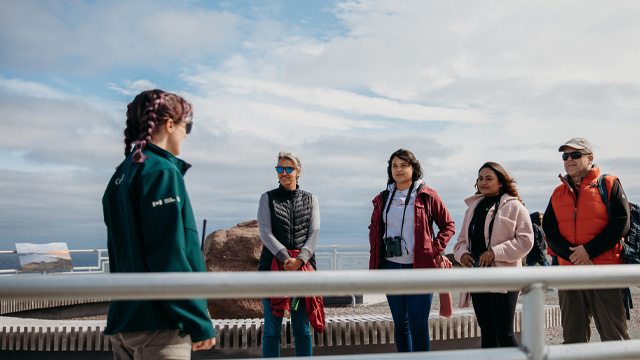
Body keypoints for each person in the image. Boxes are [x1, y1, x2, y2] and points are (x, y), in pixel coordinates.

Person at [102, 89, 216, 359]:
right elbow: (168, 255)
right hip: (159, 326)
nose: (186, 133)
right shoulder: (162, 172)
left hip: (124, 322)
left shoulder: (121, 174)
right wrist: (198, 321)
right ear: (169, 125)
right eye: (187, 126)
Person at [542, 137, 630, 343]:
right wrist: (575, 257)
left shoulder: (609, 184)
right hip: (569, 272)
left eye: (575, 155)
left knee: (614, 336)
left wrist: (588, 251)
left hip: (604, 271)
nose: (569, 160)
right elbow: (549, 230)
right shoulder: (558, 192)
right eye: (565, 156)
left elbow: (622, 223)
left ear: (590, 158)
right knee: (573, 338)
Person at [368, 149, 455, 352]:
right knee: (401, 324)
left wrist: (433, 248)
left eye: (403, 165)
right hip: (390, 266)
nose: (398, 169)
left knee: (418, 325)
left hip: (420, 268)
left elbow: (448, 225)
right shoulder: (383, 198)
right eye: (394, 166)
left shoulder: (427, 195)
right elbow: (375, 231)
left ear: (414, 168)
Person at [453, 162, 533, 348]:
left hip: (504, 279)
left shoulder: (515, 207)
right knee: (487, 333)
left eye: (489, 178)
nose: (483, 182)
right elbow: (461, 241)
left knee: (504, 333)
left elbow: (525, 241)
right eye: (480, 178)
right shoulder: (472, 208)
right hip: (478, 277)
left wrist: (495, 253)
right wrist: (462, 254)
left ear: (501, 182)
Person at [257, 151, 323, 358]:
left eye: (288, 168)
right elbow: (265, 233)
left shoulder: (311, 199)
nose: (284, 173)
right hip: (273, 268)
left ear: (298, 172)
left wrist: (300, 260)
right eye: (279, 169)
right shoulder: (267, 198)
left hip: (302, 270)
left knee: (302, 330)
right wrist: (287, 258)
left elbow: (314, 232)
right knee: (271, 331)